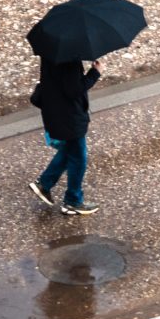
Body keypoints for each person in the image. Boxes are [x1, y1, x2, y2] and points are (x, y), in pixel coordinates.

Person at [29, 58, 102, 215]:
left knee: (70, 151)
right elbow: (74, 90)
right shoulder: (69, 60)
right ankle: (72, 201)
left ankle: (44, 183)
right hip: (69, 117)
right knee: (79, 158)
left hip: (56, 112)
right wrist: (95, 73)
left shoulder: (51, 52)